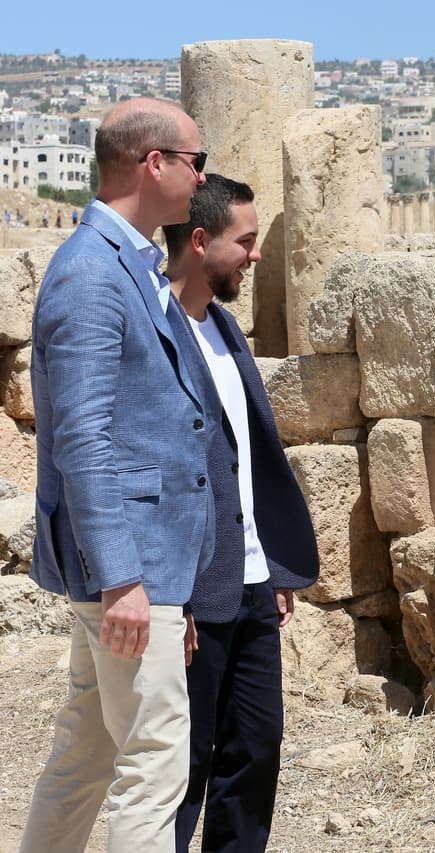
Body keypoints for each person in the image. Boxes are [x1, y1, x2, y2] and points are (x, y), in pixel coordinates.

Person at [22, 98, 215, 853]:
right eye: (196, 160)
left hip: (140, 564)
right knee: (154, 765)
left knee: (88, 751)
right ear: (153, 163)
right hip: (126, 565)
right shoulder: (92, 276)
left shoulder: (122, 261)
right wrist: (126, 579)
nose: (204, 176)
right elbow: (83, 438)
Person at [162, 174, 319, 853]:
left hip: (253, 580)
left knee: (256, 747)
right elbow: (162, 474)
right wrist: (173, 592)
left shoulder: (225, 328)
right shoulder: (158, 333)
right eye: (245, 242)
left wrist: (274, 562)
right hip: (195, 590)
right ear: (200, 242)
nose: (255, 256)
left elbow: (244, 458)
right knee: (185, 763)